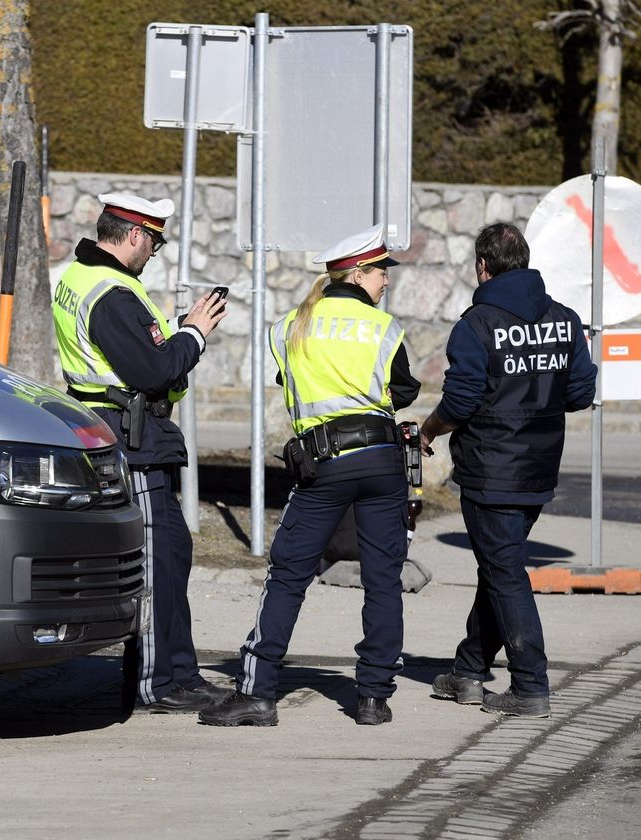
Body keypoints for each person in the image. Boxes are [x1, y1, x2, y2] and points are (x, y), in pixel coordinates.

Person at [199, 223, 420, 728]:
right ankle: (372, 697)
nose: (387, 280)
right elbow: (403, 390)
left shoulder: (290, 326)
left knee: (289, 576)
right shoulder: (384, 329)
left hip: (324, 465)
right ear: (358, 273)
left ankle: (256, 692)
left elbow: (286, 377)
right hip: (383, 463)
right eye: (381, 271)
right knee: (383, 578)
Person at [52, 192, 232, 713]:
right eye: (153, 240)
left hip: (115, 432)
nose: (155, 250)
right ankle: (161, 682)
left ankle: (179, 673)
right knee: (157, 562)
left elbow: (130, 352)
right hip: (130, 441)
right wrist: (194, 333)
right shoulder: (114, 292)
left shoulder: (79, 277)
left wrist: (171, 332)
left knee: (173, 553)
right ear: (133, 234)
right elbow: (153, 372)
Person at [419, 222, 597, 718]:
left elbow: (460, 401)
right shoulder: (564, 319)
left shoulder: (476, 325)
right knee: (500, 569)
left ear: (483, 266)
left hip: (490, 471)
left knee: (505, 574)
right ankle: (469, 671)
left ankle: (530, 685)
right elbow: (581, 393)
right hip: (538, 469)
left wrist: (430, 429)